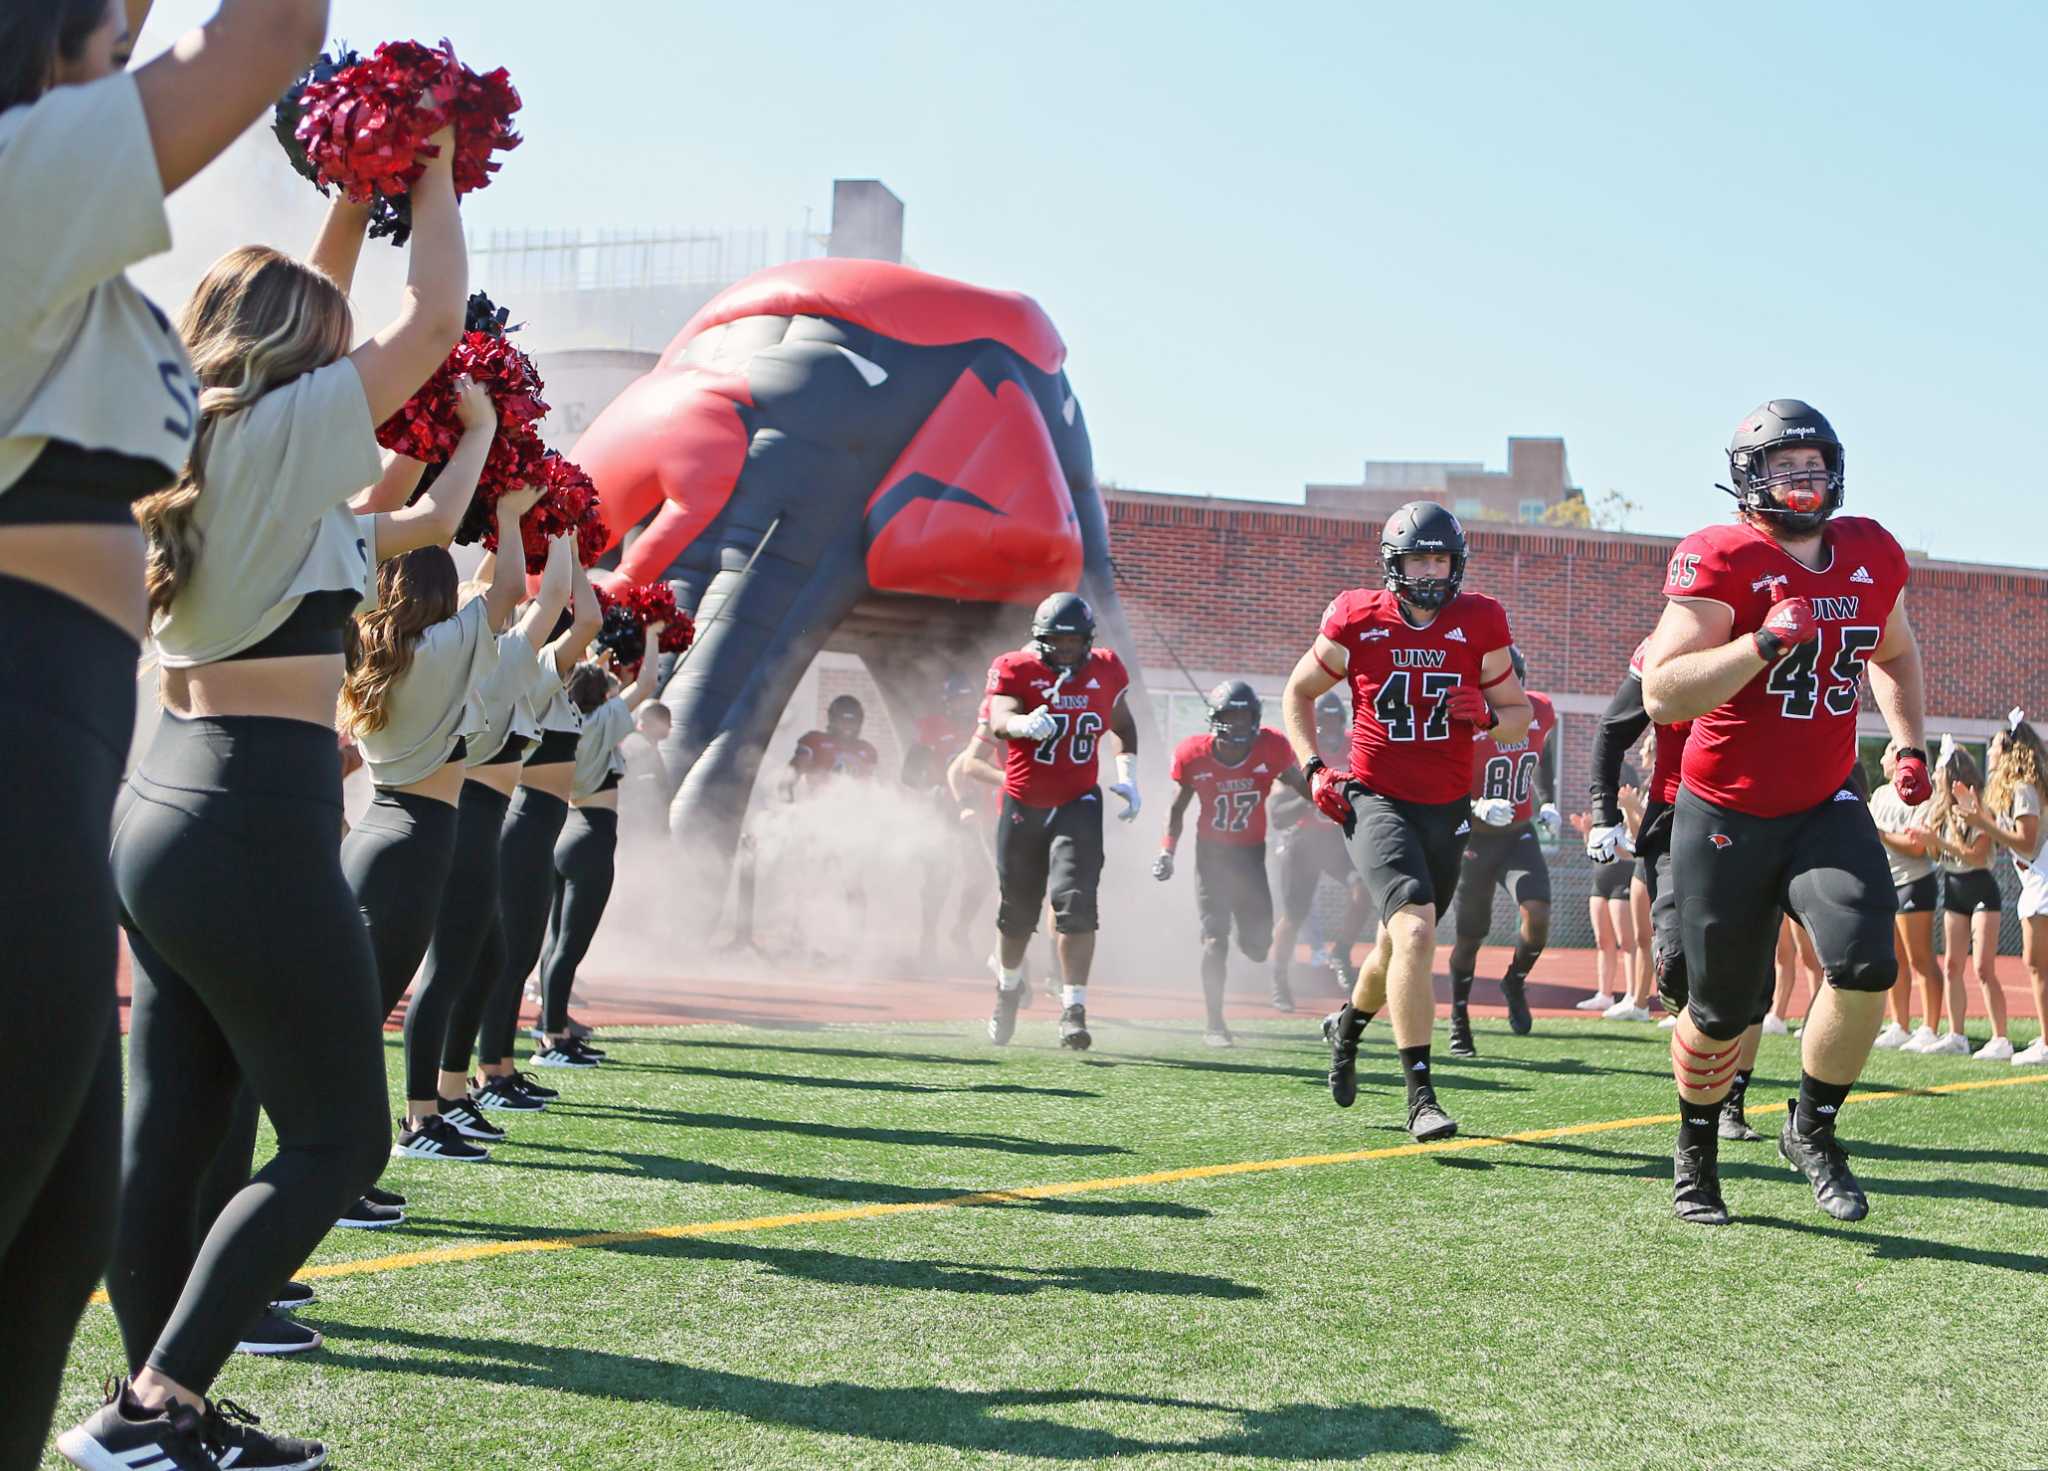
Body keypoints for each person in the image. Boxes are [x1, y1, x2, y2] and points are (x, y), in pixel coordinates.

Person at [78, 98, 466, 1471]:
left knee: (175, 1121)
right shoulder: (285, 437)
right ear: (301, 359)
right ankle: (155, 1400)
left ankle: (152, 1405)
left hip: (166, 798)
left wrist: (355, 197)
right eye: (326, 342)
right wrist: (432, 171)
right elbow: (428, 321)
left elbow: (335, 317)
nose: (350, 358)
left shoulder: (194, 425)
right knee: (338, 1135)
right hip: (251, 810)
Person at [0, 2, 332, 1466]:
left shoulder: (65, 241)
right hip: (21, 741)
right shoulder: (17, 175)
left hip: (69, 769)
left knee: (49, 1239)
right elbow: (269, 31)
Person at [1641, 399, 1928, 1226]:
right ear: (1747, 478)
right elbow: (1662, 693)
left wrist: (1906, 744)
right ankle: (1696, 1140)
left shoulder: (1871, 551)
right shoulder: (1721, 555)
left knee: (1867, 962)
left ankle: (1812, 1124)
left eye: (1813, 464)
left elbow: (1896, 652)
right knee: (1727, 1009)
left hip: (1825, 797)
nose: (1802, 482)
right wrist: (1760, 643)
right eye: (1782, 467)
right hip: (1726, 809)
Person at [1284, 501, 1531, 1142]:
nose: (1430, 570)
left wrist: (1481, 711)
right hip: (1375, 797)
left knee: (1397, 943)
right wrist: (1314, 767)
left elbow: (1517, 716)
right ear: (1394, 563)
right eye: (1418, 557)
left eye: (1440, 558)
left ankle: (1348, 1026)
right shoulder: (1356, 616)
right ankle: (1421, 1094)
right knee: (1419, 934)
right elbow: (1299, 691)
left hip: (1444, 806)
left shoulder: (1480, 619)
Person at [399, 552, 571, 1147]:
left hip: (482, 822)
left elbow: (539, 597)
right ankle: (421, 1114)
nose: (512, 613)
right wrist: (557, 523)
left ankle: (448, 1092)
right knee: (446, 969)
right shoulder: (490, 665)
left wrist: (525, 525)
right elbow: (551, 599)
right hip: (468, 819)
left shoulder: (499, 664)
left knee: (486, 960)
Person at [982, 592, 1142, 1050]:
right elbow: (998, 716)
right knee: (1016, 915)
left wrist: (1128, 775)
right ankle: (1008, 987)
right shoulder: (1016, 666)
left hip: (1078, 801)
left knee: (1076, 902)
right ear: (1041, 639)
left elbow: (1122, 725)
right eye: (1058, 641)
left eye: (1075, 642)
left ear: (1088, 641)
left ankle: (1074, 1008)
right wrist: (1020, 726)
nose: (1068, 650)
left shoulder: (1107, 667)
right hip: (1023, 803)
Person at [479, 564, 603, 1074]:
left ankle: (501, 1066)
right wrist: (568, 544)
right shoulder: (533, 670)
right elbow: (588, 621)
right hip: (527, 819)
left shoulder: (547, 680)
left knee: (522, 952)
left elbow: (587, 623)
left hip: (541, 823)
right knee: (511, 955)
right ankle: (492, 1067)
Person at [530, 636, 666, 1059]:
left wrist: (594, 661)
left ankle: (551, 1027)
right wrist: (656, 632)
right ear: (602, 697)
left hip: (565, 828)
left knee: (556, 941)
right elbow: (646, 684)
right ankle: (553, 1035)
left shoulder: (568, 719)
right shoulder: (603, 720)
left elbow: (587, 681)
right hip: (592, 833)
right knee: (571, 944)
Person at [1153, 681, 1307, 1046]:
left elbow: (1302, 785)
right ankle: (1214, 1023)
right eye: (1230, 716)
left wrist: (1340, 806)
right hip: (1212, 857)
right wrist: (1166, 851)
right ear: (1215, 719)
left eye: (1244, 717)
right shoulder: (1194, 754)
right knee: (1214, 941)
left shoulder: (1272, 746)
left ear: (1255, 718)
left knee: (1257, 947)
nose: (1237, 725)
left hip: (1251, 855)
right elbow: (1176, 809)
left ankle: (1245, 935)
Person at [1446, 645, 1557, 1056]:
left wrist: (1546, 800)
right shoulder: (1464, 721)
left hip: (1517, 835)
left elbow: (1541, 756)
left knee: (1539, 916)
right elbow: (1438, 783)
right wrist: (1473, 805)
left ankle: (1514, 979)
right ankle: (1459, 1018)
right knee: (1470, 936)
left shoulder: (1540, 710)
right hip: (1474, 838)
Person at [1274, 694, 1373, 1014]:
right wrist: (1313, 793)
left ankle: (1341, 951)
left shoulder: (1354, 745)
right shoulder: (1297, 749)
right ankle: (1279, 978)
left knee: (1363, 890)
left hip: (1336, 840)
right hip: (1303, 840)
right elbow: (1277, 811)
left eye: (1334, 722)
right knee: (1293, 915)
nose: (1329, 730)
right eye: (1323, 722)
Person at [1964, 717, 2048, 1062]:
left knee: (2037, 964)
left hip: (2042, 878)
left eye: (1996, 745)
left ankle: (2045, 1043)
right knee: (2037, 963)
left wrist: (1983, 822)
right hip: (2035, 879)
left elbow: (2026, 842)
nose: (1991, 752)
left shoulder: (2024, 788)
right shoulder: (2017, 788)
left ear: (2011, 751)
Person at [1915, 744, 2002, 1056]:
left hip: (1980, 888)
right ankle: (1957, 1035)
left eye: (1939, 770)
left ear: (1954, 774)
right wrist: (1929, 841)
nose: (1935, 776)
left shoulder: (1979, 810)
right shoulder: (1941, 808)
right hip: (1953, 887)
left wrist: (1938, 841)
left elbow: (1977, 857)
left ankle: (2000, 1038)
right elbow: (1937, 852)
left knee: (1982, 967)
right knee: (1952, 965)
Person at [905, 672, 988, 969]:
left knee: (984, 875)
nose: (964, 705)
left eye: (968, 698)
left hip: (976, 810)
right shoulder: (933, 728)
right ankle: (928, 938)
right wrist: (930, 788)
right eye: (958, 699)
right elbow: (910, 774)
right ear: (948, 702)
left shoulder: (984, 728)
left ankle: (961, 928)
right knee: (940, 877)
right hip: (943, 811)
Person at [1866, 739, 1939, 1050]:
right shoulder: (1881, 794)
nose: (1883, 758)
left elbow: (1917, 846)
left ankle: (1930, 1027)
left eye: (1887, 752)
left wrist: (1881, 834)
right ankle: (1900, 1024)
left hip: (1914, 880)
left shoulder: (1921, 797)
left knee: (1921, 958)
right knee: (1895, 959)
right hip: (1886, 881)